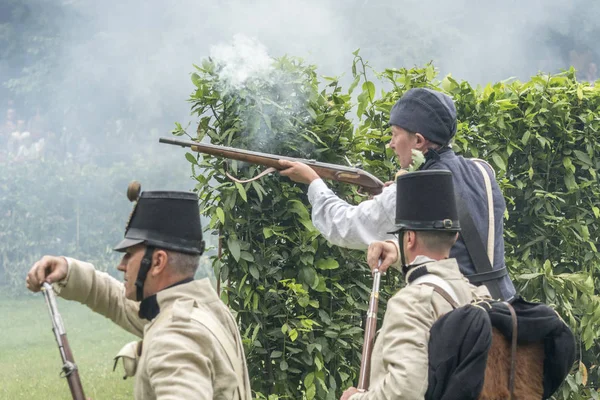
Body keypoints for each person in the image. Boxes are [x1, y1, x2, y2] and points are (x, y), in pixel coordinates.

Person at [279, 87, 515, 300]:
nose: (391, 143)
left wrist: (313, 181)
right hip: (503, 302)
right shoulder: (482, 169)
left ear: (419, 141)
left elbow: (343, 226)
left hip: (454, 308)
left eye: (395, 134)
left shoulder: (411, 188)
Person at [26, 183, 251, 400]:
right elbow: (119, 303)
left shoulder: (174, 338)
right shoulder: (202, 309)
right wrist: (69, 271)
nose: (121, 265)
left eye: (129, 254)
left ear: (158, 262)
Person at [340, 170, 491, 400]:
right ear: (455, 237)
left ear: (408, 239)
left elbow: (403, 391)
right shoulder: (478, 294)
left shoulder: (412, 302)